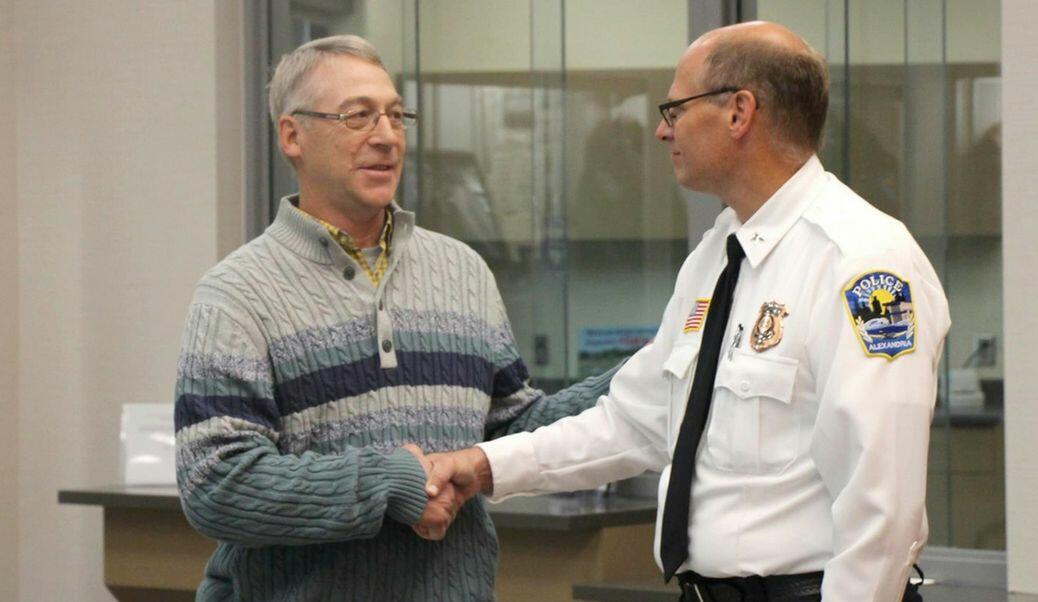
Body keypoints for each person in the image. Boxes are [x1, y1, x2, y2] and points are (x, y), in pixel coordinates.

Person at [430, 21, 950, 602]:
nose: (661, 130)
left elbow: (882, 504)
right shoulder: (717, 255)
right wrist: (483, 465)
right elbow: (634, 420)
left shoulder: (861, 261)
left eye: (675, 109)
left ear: (739, 112)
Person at [173, 35, 610, 601]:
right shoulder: (236, 295)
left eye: (396, 115)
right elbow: (215, 484)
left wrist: (650, 374)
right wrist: (388, 484)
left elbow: (509, 430)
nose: (385, 136)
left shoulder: (463, 271)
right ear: (292, 136)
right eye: (358, 116)